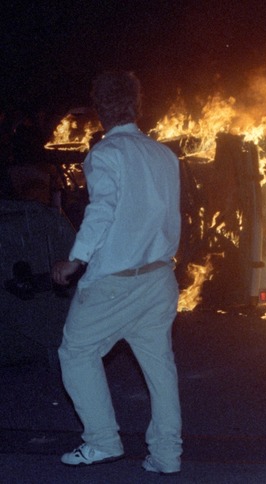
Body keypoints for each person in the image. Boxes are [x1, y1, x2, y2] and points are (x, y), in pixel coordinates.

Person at [52, 71, 182, 474]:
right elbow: (171, 217)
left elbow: (102, 210)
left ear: (100, 111)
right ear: (136, 106)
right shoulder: (164, 154)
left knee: (76, 352)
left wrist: (74, 260)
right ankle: (166, 455)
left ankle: (102, 441)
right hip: (159, 277)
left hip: (116, 281)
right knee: (159, 367)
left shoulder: (106, 154)